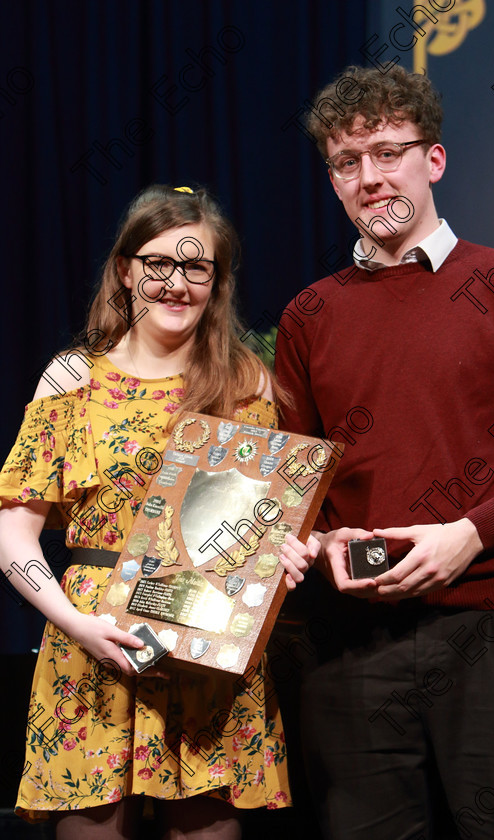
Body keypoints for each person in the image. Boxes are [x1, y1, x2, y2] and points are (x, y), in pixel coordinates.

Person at [275, 65, 494, 840]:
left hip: (493, 627)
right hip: (349, 646)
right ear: (333, 180)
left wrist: (471, 534)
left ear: (433, 161)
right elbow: (288, 486)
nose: (369, 177)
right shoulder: (309, 315)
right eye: (346, 161)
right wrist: (321, 537)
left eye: (387, 152)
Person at [0, 184, 298, 840]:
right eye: (159, 263)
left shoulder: (246, 382)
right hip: (88, 646)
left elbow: (263, 529)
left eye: (197, 268)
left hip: (206, 648)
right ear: (126, 270)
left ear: (215, 281)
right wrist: (77, 626)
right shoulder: (71, 379)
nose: (176, 283)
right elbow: (12, 533)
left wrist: (283, 554)